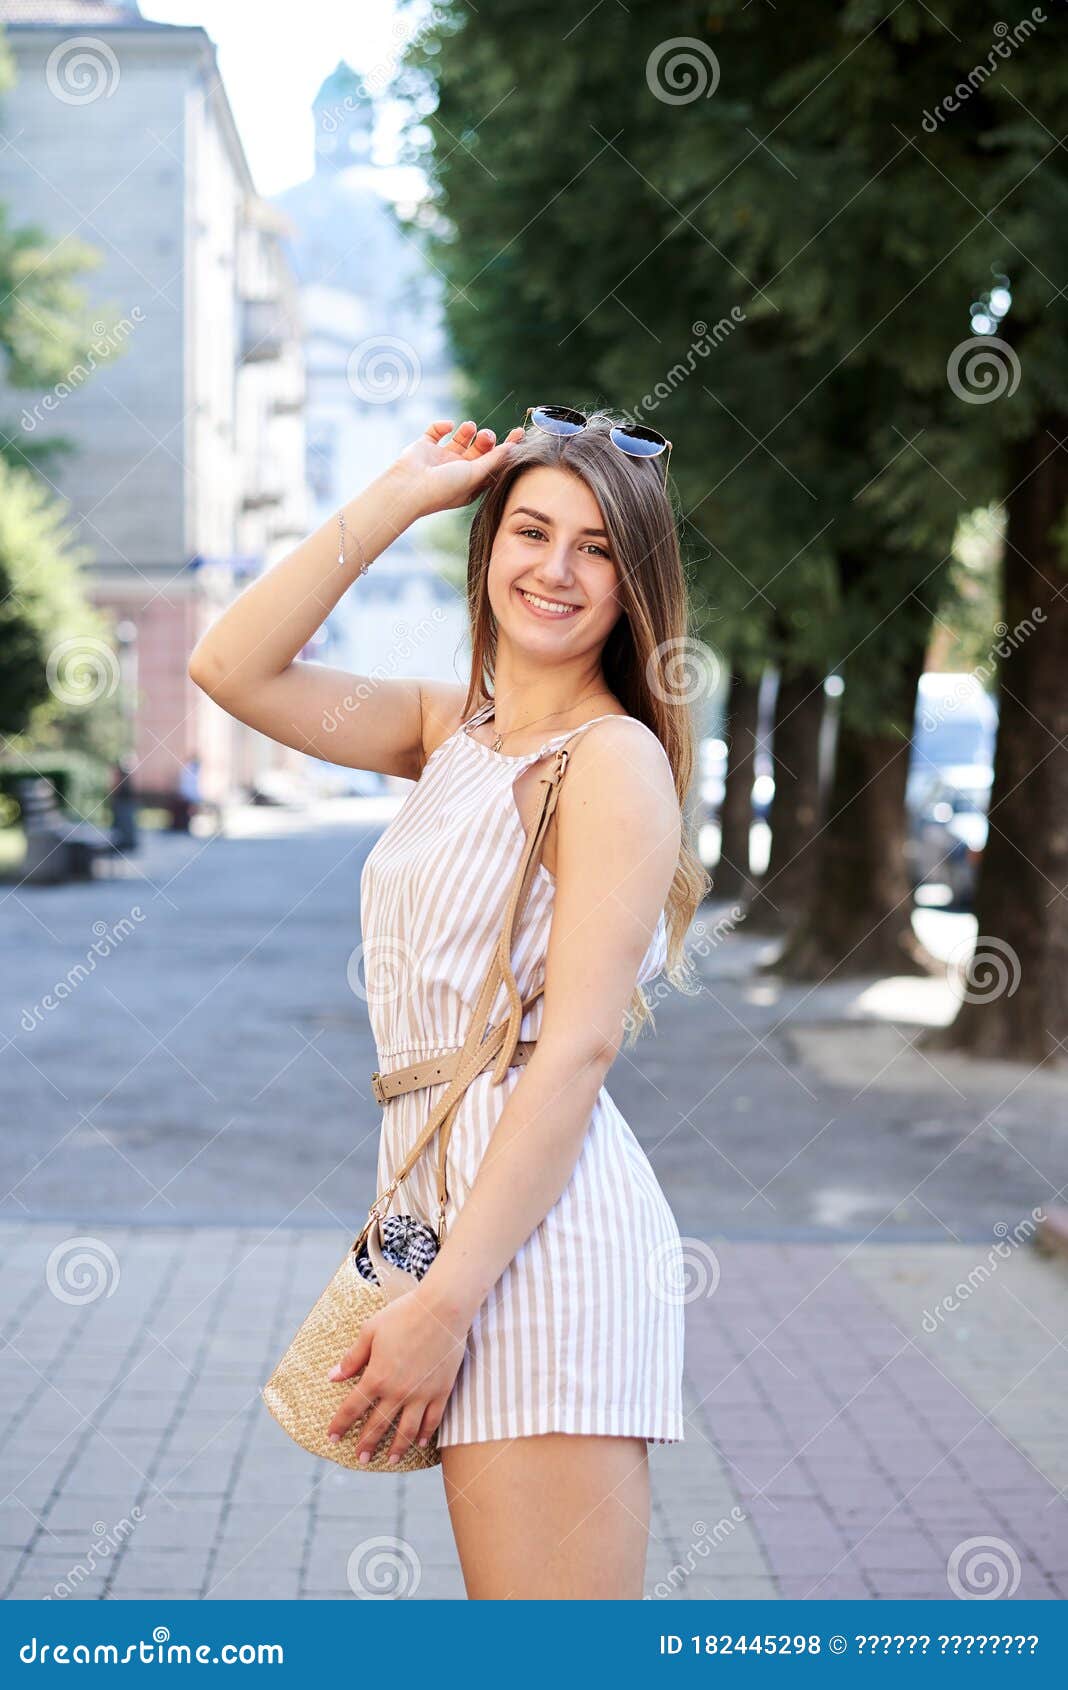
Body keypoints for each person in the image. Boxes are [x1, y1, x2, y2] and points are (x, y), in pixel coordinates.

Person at [188, 410, 708, 1599]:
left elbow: (575, 1050)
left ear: (636, 587)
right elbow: (231, 667)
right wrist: (400, 495)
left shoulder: (610, 758)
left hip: (537, 1243)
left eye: (597, 549)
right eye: (531, 531)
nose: (557, 570)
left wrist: (447, 1303)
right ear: (488, 551)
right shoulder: (451, 732)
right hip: (457, 1221)